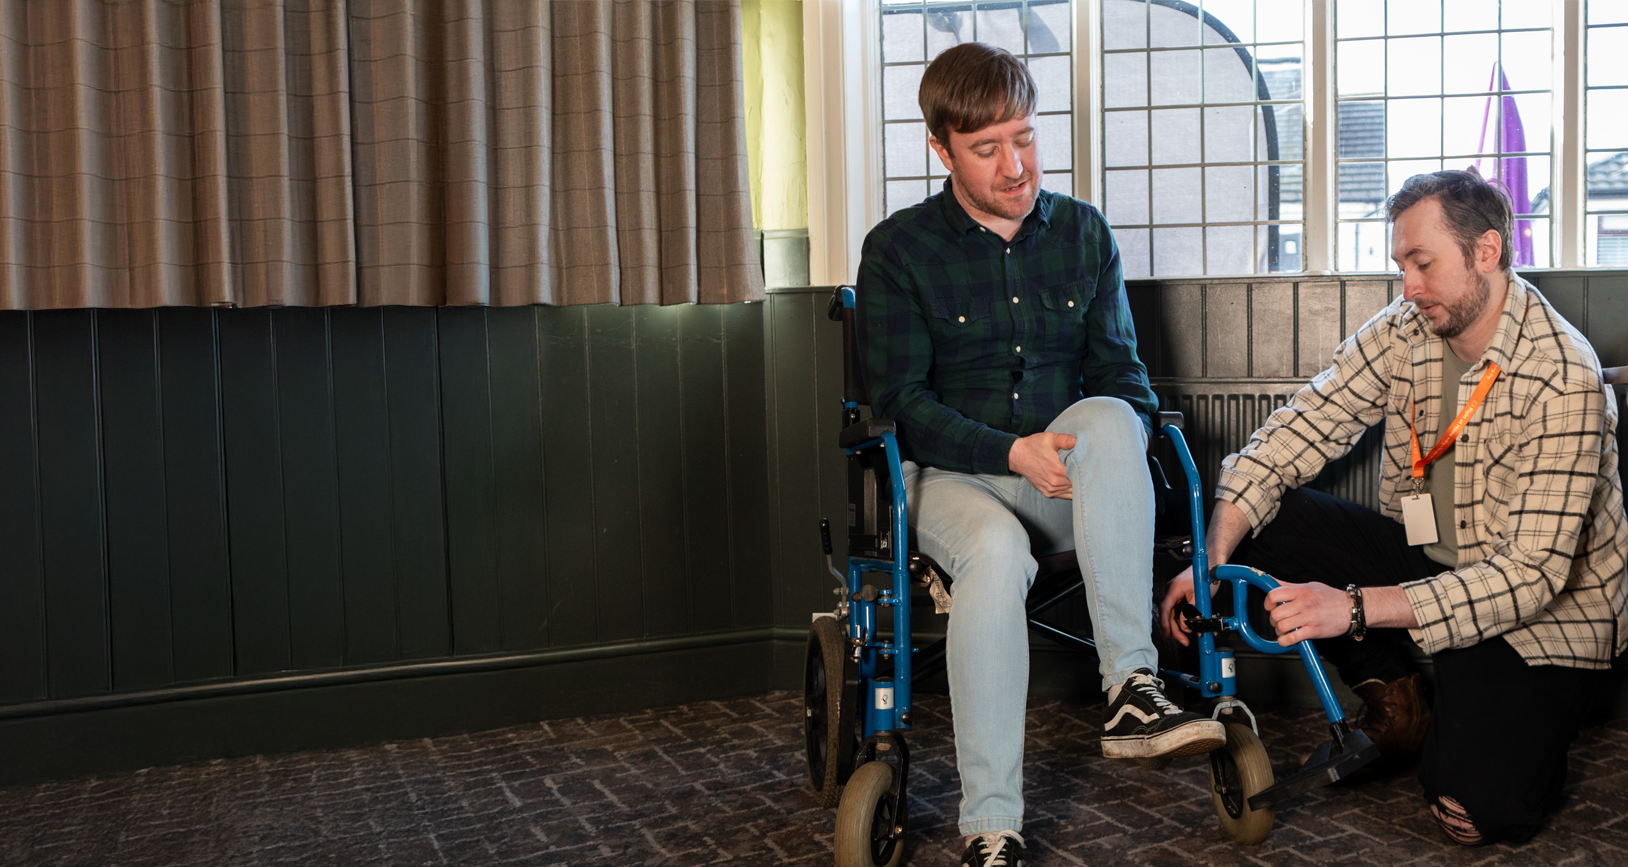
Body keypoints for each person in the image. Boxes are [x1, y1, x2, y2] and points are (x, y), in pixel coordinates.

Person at [1158, 167, 1628, 846]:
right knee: (1262, 520)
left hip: (1538, 617)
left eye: (1423, 263)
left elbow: (1529, 576)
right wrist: (1210, 562)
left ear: (1486, 251)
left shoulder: (1564, 377)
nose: (1407, 286)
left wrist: (1350, 607)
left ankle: (1522, 739)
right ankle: (1398, 700)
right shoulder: (1405, 328)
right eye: (1401, 265)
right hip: (1432, 561)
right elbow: (1295, 432)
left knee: (1471, 811)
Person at [855, 42, 1224, 867]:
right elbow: (904, 405)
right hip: (951, 479)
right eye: (987, 148)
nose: (1015, 165)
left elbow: (1123, 377)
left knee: (1115, 415)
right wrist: (1010, 451)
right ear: (942, 150)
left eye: (1024, 137)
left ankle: (1132, 689)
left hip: (1058, 477)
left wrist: (1096, 454)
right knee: (993, 553)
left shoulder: (1084, 233)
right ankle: (992, 826)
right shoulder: (898, 250)